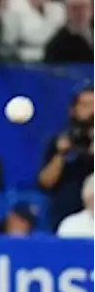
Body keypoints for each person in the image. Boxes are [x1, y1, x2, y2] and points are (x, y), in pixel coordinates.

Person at [38, 87, 95, 231]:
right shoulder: (60, 141)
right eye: (85, 105)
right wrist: (60, 154)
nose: (91, 111)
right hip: (65, 217)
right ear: (73, 109)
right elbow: (45, 182)